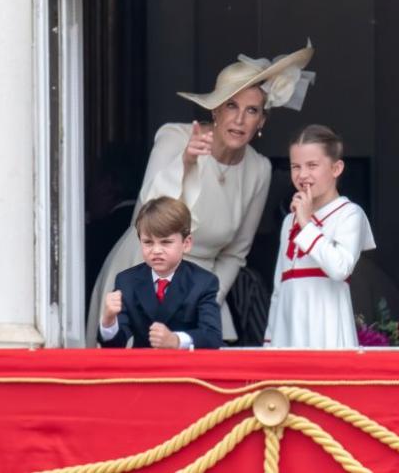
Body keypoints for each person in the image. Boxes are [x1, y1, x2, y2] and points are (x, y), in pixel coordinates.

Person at [86, 43, 316, 346]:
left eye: (251, 111)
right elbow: (147, 214)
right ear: (215, 109)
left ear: (261, 122)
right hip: (141, 274)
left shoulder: (258, 170)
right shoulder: (176, 137)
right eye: (231, 106)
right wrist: (187, 162)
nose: (239, 119)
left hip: (200, 290)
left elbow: (235, 255)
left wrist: (203, 301)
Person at [264, 124, 376, 348]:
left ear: (336, 168)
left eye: (312, 165)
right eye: (296, 166)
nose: (302, 174)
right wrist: (269, 341)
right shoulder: (289, 221)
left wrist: (306, 224)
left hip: (327, 330)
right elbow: (280, 287)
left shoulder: (349, 214)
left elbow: (340, 268)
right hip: (288, 334)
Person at [98, 197, 222, 349]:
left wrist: (176, 340)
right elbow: (116, 344)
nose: (156, 250)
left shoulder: (203, 282)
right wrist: (109, 320)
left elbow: (212, 337)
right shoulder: (126, 281)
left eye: (166, 242)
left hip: (184, 369)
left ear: (186, 243)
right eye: (148, 242)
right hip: (143, 369)